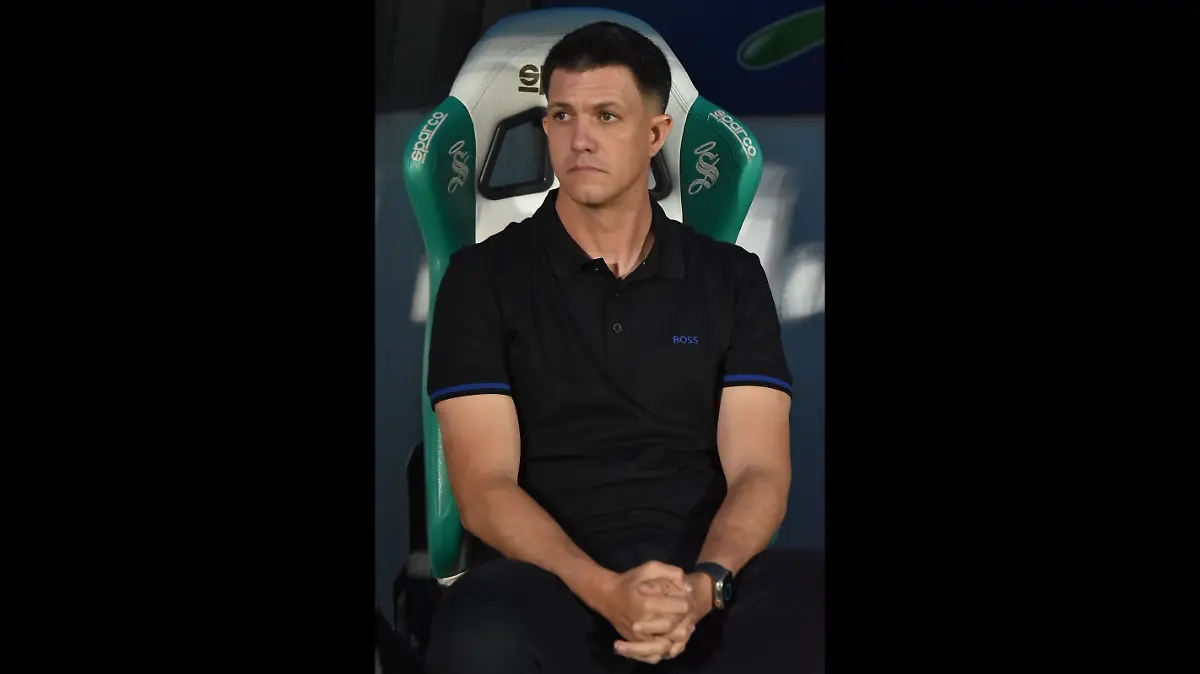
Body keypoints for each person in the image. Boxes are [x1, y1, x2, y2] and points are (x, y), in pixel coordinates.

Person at [422, 20, 823, 674]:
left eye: (607, 116)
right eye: (562, 116)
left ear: (656, 134)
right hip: (553, 578)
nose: (580, 139)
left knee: (813, 597)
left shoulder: (732, 277)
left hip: (701, 579)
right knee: (478, 631)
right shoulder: (480, 278)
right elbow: (484, 486)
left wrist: (703, 587)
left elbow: (760, 471)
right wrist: (607, 591)